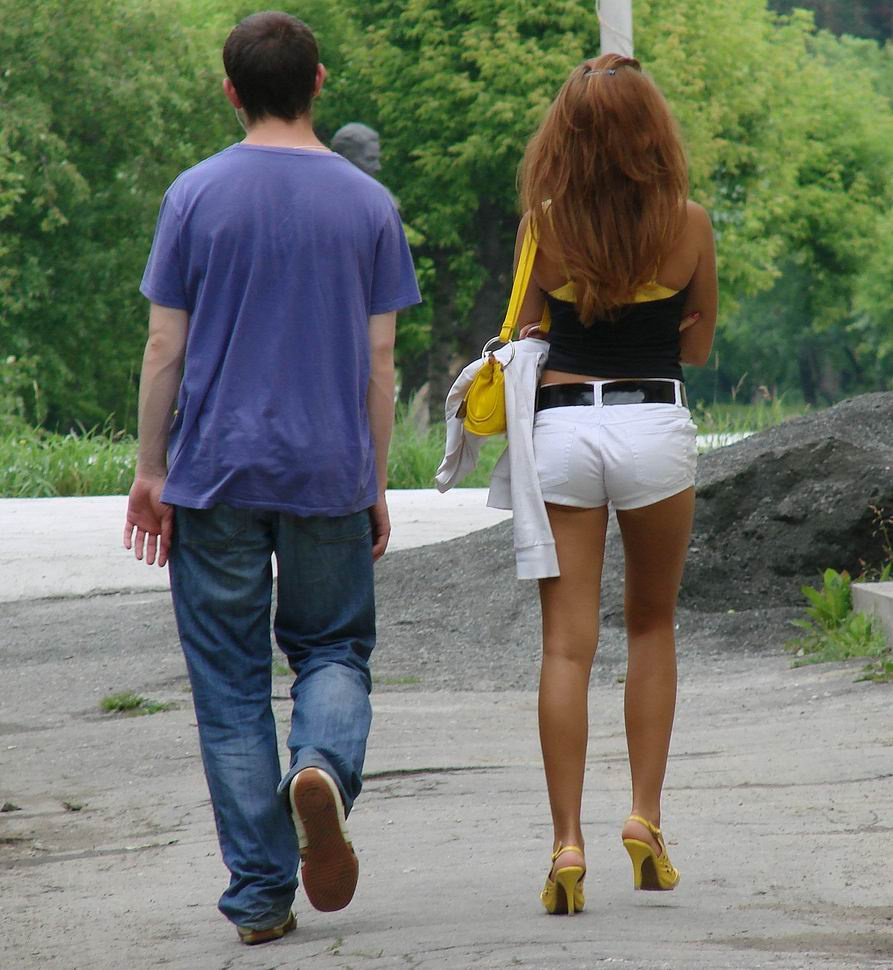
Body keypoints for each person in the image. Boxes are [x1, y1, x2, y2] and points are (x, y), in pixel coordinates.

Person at [122, 11, 420, 945]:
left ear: (231, 91)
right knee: (332, 649)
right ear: (319, 83)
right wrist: (375, 478)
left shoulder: (194, 194)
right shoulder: (368, 205)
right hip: (328, 470)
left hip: (215, 473)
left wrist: (151, 469)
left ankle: (259, 895)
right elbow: (380, 362)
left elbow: (164, 345)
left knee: (229, 685)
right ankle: (320, 764)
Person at [514, 53, 717, 914]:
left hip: (563, 427)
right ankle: (644, 818)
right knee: (650, 623)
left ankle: (566, 843)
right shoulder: (688, 224)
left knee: (565, 645)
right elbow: (696, 345)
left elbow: (527, 334)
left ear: (566, 135)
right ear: (650, 130)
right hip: (651, 422)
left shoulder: (541, 226)